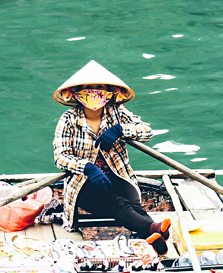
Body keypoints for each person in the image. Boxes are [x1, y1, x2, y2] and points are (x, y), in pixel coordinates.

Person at [52, 60, 171, 254]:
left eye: (99, 88)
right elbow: (60, 157)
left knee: (133, 205)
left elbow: (147, 132)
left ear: (109, 92)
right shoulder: (68, 119)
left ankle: (150, 235)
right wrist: (88, 167)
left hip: (118, 176)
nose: (94, 93)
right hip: (85, 183)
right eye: (88, 88)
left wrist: (120, 130)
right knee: (118, 203)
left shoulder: (117, 112)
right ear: (78, 92)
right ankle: (153, 229)